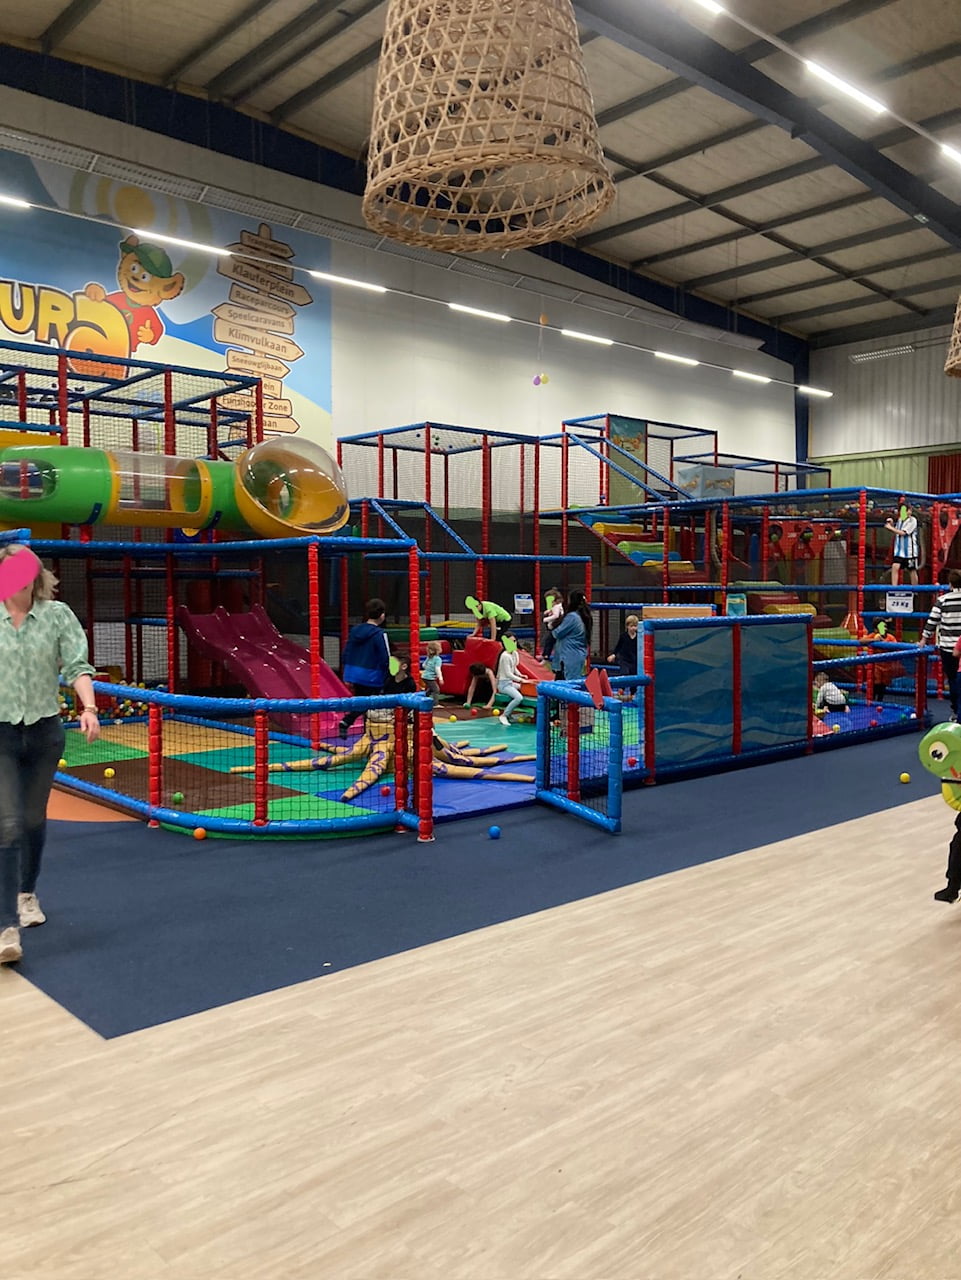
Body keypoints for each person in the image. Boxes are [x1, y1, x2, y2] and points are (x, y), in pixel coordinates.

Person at [0, 544, 100, 966]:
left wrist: (89, 707)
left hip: (43, 733)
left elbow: (77, 665)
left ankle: (26, 893)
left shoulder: (57, 615)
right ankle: (6, 927)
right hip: (2, 733)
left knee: (32, 820)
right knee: (7, 824)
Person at [338, 598, 391, 737]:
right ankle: (347, 721)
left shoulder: (355, 630)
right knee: (370, 701)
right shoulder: (379, 634)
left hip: (354, 672)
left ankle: (357, 727)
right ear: (382, 615)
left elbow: (346, 652)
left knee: (361, 699)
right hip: (371, 675)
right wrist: (390, 673)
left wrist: (347, 671)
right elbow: (385, 657)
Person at [920, 569, 961, 719]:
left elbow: (932, 622)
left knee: (952, 679)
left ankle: (956, 711)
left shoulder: (943, 600)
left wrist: (924, 639)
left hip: (948, 647)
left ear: (950, 584)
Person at [549, 589, 592, 681]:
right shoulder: (582, 617)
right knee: (571, 680)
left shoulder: (572, 617)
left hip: (568, 656)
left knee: (567, 683)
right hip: (577, 654)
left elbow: (557, 633)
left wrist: (551, 624)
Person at [885, 502, 920, 586]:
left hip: (910, 552)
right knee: (895, 567)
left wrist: (890, 528)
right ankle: (894, 588)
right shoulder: (900, 520)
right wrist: (891, 524)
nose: (903, 513)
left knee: (912, 570)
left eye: (906, 510)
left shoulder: (913, 520)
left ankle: (915, 589)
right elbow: (897, 530)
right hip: (899, 551)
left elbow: (903, 533)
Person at [494, 635, 524, 726]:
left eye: (514, 641)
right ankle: (504, 715)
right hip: (503, 685)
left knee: (524, 688)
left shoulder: (514, 653)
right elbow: (508, 674)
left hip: (510, 683)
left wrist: (520, 675)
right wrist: (520, 679)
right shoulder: (505, 656)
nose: (513, 643)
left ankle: (509, 714)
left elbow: (514, 668)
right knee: (519, 698)